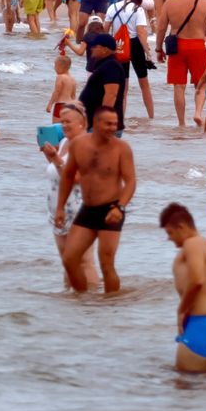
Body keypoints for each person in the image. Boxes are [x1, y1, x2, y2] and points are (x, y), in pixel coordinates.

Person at [56, 105, 134, 294]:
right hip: (88, 209)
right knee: (70, 259)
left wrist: (120, 208)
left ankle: (111, 304)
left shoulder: (121, 148)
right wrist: (60, 208)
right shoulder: (79, 145)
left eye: (115, 124)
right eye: (108, 124)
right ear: (96, 123)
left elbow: (131, 182)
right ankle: (84, 301)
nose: (112, 128)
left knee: (106, 263)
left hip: (112, 210)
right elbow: (67, 177)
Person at [41, 103, 100, 289]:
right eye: (62, 121)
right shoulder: (66, 142)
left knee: (84, 261)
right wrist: (50, 155)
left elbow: (76, 178)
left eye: (68, 122)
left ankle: (92, 303)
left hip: (81, 210)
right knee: (68, 263)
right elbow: (60, 171)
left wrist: (56, 159)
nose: (64, 125)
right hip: (59, 210)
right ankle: (72, 303)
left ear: (82, 123)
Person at [161, 203, 206, 372]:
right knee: (199, 386)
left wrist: (181, 311)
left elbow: (197, 280)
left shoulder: (192, 244)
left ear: (181, 227)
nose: (169, 238)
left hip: (199, 325)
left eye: (170, 232)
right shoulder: (203, 243)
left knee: (184, 388)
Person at [156, 0, 206, 130]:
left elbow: (161, 29)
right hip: (197, 46)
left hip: (177, 47)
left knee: (179, 86)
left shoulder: (169, 3)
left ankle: (181, 123)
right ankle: (198, 113)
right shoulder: (204, 3)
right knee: (200, 85)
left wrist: (159, 49)